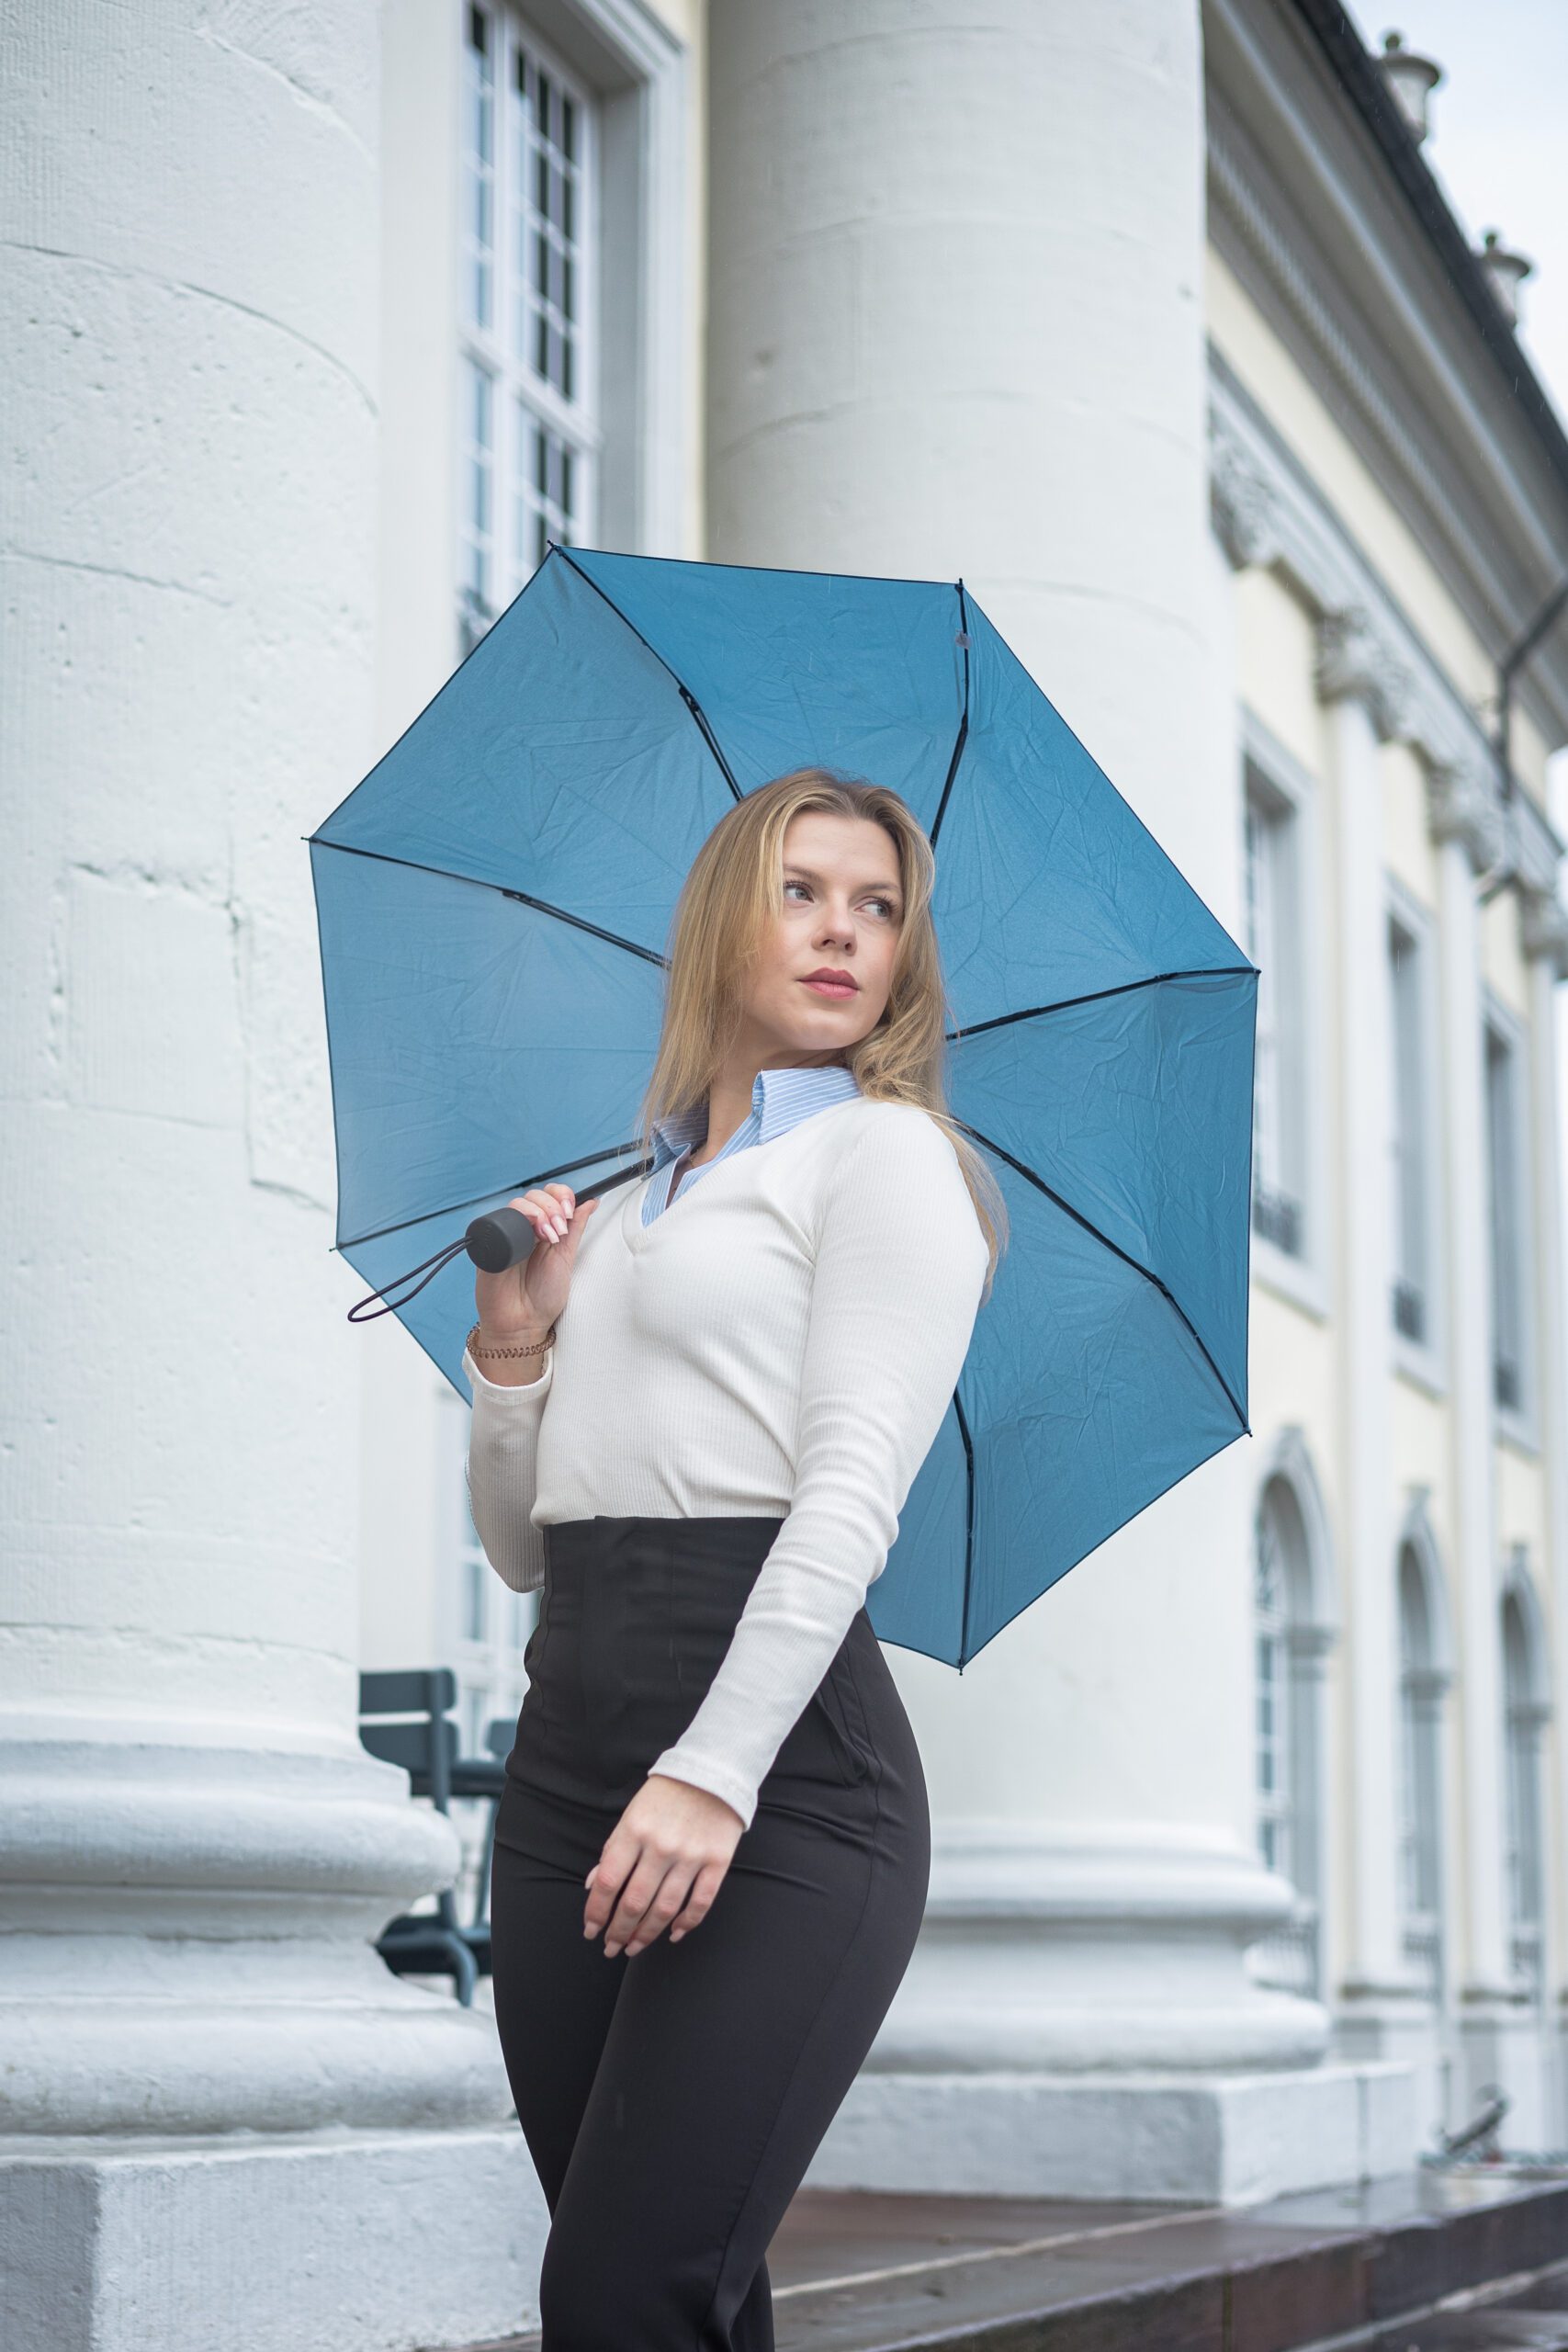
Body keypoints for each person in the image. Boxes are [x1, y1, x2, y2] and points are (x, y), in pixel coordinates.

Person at [463, 765, 1007, 2349]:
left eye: (879, 906)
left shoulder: (884, 1161)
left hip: (779, 1784)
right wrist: (511, 1359)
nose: (844, 933)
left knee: (625, 2292)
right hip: (567, 1763)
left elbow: (849, 1495)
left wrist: (714, 1771)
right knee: (668, 2283)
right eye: (802, 891)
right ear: (722, 920)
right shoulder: (630, 1205)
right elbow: (522, 1546)